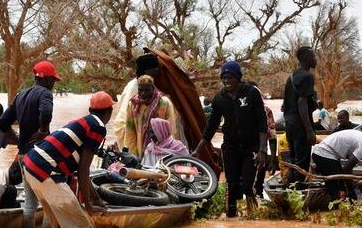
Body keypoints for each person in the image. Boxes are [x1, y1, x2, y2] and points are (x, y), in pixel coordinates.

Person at [22, 91, 114, 228]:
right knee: (80, 225)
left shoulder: (84, 122)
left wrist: (96, 200)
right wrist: (88, 204)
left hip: (30, 167)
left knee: (58, 224)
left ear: (90, 109)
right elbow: (84, 169)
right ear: (110, 112)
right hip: (46, 170)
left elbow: (80, 170)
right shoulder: (98, 126)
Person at [192, 61, 268, 217]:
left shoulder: (252, 93)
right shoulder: (219, 99)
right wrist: (197, 150)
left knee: (247, 185)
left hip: (251, 148)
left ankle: (253, 214)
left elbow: (262, 123)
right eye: (224, 78)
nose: (226, 81)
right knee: (231, 185)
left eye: (230, 77)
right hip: (231, 148)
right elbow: (210, 127)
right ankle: (231, 218)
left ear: (238, 78)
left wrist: (262, 149)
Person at [0, 60, 58, 228]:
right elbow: (46, 112)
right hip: (41, 154)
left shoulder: (21, 95)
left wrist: (16, 140)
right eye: (53, 80)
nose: (54, 84)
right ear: (46, 80)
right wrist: (43, 130)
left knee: (29, 203)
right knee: (49, 202)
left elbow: (2, 122)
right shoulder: (45, 93)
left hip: (24, 154)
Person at [312, 130, 362, 199]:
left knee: (340, 183)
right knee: (339, 193)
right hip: (324, 154)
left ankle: (319, 170)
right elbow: (346, 170)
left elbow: (346, 169)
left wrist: (350, 181)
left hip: (323, 154)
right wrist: (351, 191)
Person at [282, 46, 318, 184]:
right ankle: (298, 192)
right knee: (302, 161)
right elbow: (302, 103)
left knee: (293, 158)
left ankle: (290, 189)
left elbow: (284, 105)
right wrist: (309, 130)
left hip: (289, 122)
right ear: (307, 59)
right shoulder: (307, 76)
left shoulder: (291, 77)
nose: (315, 59)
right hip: (300, 123)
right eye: (313, 56)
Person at [123, 74, 178, 156]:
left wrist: (166, 152)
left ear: (153, 88)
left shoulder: (164, 103)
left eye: (147, 90)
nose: (143, 93)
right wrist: (133, 153)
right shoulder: (133, 105)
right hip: (140, 149)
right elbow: (130, 131)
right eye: (140, 90)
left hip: (161, 150)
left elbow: (171, 130)